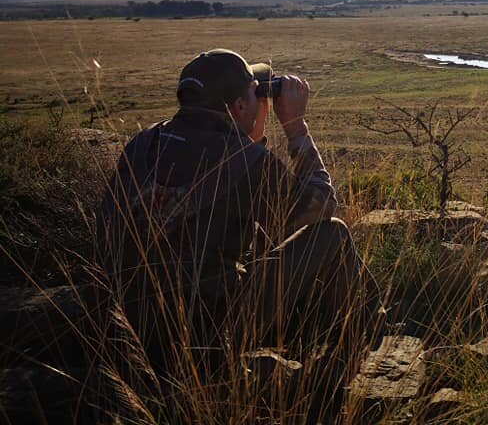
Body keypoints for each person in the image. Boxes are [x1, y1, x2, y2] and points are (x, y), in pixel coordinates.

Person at [97, 49, 381, 406]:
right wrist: (296, 129)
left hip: (132, 326)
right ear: (239, 107)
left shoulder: (144, 142)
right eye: (255, 92)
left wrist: (249, 138)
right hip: (210, 334)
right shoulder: (242, 161)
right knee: (334, 235)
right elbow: (320, 208)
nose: (262, 98)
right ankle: (352, 354)